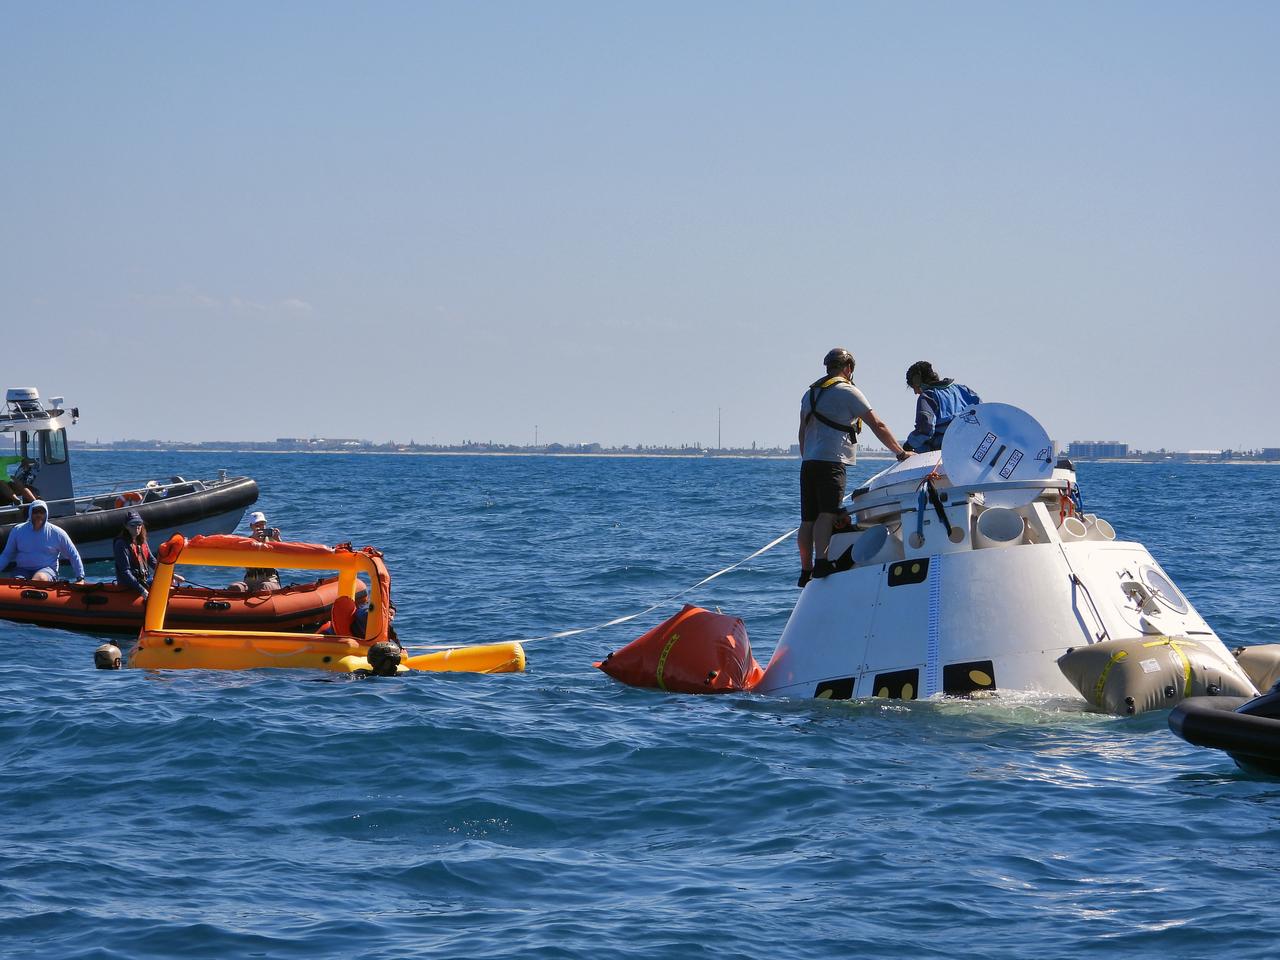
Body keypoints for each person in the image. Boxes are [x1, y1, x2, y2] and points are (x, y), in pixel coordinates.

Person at [798, 348, 910, 585]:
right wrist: (899, 452)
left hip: (809, 462)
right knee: (826, 515)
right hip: (831, 462)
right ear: (848, 368)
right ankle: (822, 563)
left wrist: (806, 456)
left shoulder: (810, 394)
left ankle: (805, 570)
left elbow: (802, 432)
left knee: (808, 519)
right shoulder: (848, 391)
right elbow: (876, 424)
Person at [902, 361, 982, 453]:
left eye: (914, 387)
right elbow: (982, 412)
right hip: (974, 445)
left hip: (947, 452)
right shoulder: (962, 389)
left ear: (917, 382)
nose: (915, 392)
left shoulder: (928, 396)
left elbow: (925, 429)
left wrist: (908, 446)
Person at [0, 499, 85, 583]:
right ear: (30, 513)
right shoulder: (17, 530)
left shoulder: (57, 533)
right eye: (35, 512)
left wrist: (80, 577)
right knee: (16, 582)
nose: (38, 515)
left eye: (42, 512)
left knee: (39, 578)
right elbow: (6, 555)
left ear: (46, 513)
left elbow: (73, 554)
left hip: (47, 571)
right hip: (22, 570)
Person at [230, 510, 282, 592]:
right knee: (235, 587)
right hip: (250, 581)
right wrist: (253, 540)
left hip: (269, 580)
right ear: (251, 526)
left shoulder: (273, 541)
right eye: (257, 525)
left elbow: (283, 556)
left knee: (263, 587)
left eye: (262, 524)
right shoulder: (246, 542)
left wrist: (278, 540)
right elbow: (240, 559)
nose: (260, 527)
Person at [113, 511, 157, 600]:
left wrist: (172, 575)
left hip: (144, 581)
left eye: (139, 523)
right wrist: (141, 590)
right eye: (132, 524)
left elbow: (152, 561)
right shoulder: (121, 544)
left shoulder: (142, 541)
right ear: (126, 526)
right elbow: (125, 571)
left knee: (164, 581)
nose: (137, 527)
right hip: (130, 585)